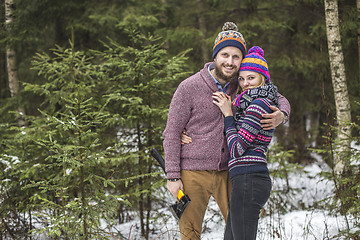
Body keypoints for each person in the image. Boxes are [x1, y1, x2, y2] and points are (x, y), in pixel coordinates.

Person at [163, 22, 290, 240]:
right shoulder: (189, 87)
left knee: (237, 230)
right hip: (193, 172)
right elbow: (172, 132)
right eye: (225, 54)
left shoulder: (241, 85)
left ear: (242, 61)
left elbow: (276, 96)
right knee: (190, 233)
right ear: (215, 55)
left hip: (230, 173)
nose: (229, 62)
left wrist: (282, 114)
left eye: (236, 56)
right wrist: (173, 176)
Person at [212, 46, 278, 239]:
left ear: (262, 78)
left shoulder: (258, 104)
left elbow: (237, 148)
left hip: (250, 179)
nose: (245, 83)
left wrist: (228, 114)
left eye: (251, 78)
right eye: (241, 78)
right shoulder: (250, 101)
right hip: (245, 179)